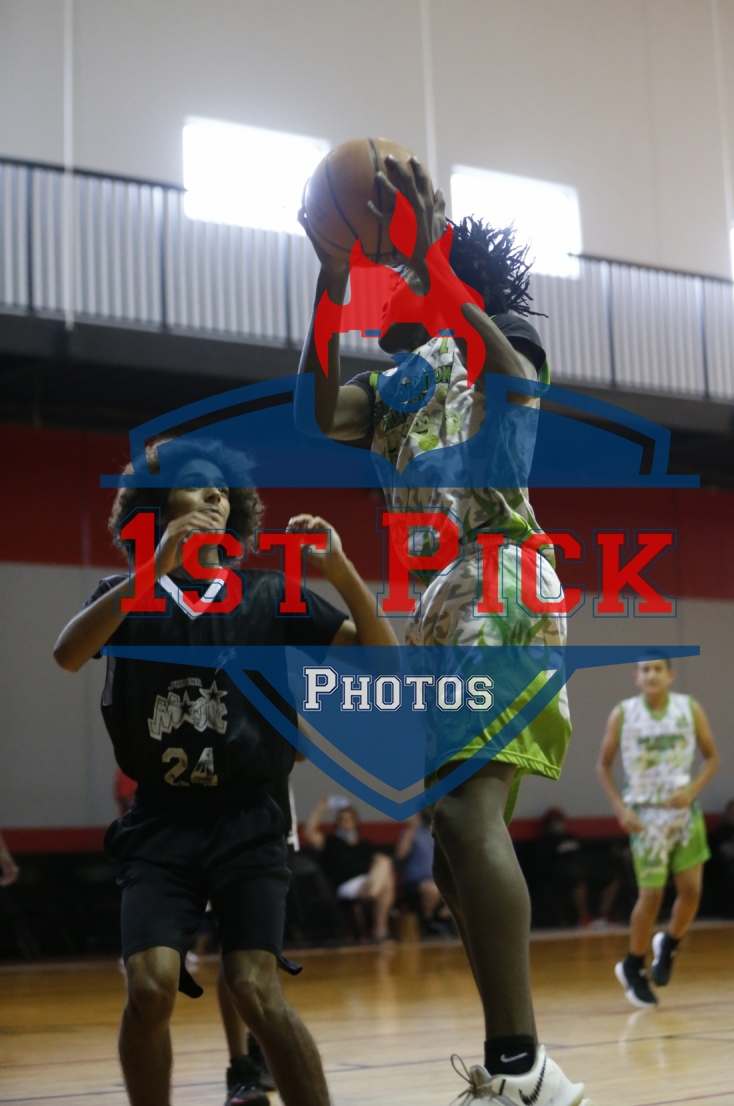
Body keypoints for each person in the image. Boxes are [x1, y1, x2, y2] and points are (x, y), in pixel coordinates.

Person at [298, 156, 589, 1105]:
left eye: (404, 270)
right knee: (456, 856)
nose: (390, 282)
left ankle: (519, 1066)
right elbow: (316, 411)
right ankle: (529, 1071)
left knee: (465, 816)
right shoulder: (397, 386)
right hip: (435, 606)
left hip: (500, 574)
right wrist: (328, 279)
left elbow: (511, 378)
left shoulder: (498, 337)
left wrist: (431, 265)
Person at [53, 437, 397, 1106]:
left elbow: (383, 665)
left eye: (222, 488)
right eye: (194, 484)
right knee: (149, 986)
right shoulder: (128, 596)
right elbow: (68, 654)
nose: (214, 494)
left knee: (253, 988)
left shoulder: (269, 592)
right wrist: (154, 566)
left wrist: (343, 571)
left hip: (249, 821)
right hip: (161, 821)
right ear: (157, 505)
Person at [596, 656, 719, 1009]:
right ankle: (632, 965)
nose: (651, 674)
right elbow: (603, 765)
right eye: (645, 670)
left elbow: (712, 758)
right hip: (645, 816)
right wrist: (620, 808)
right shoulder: (623, 714)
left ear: (670, 675)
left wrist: (692, 790)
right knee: (650, 896)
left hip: (683, 814)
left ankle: (669, 944)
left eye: (657, 669)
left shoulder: (689, 709)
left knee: (692, 892)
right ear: (636, 676)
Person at [306, 799, 396, 941]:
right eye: (342, 819)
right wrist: (320, 809)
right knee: (387, 884)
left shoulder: (364, 844)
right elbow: (309, 833)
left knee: (385, 865)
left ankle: (372, 896)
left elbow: (379, 864)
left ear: (355, 822)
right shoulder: (331, 842)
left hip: (367, 881)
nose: (346, 822)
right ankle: (380, 930)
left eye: (349, 819)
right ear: (337, 822)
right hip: (346, 885)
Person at [395, 811, 453, 935]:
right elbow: (400, 855)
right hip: (415, 881)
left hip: (438, 879)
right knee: (432, 889)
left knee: (462, 889)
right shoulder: (412, 832)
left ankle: (442, 919)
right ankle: (428, 922)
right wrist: (409, 832)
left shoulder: (440, 833)